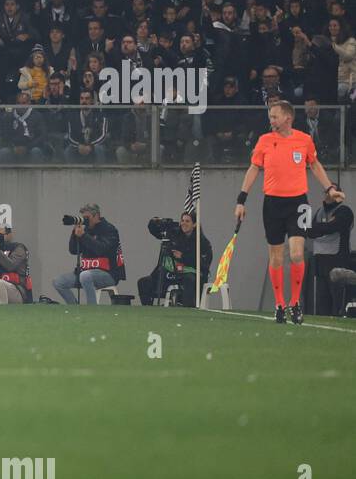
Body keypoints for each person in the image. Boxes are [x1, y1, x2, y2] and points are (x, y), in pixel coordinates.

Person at [235, 101, 345, 324]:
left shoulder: (303, 140)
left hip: (298, 203)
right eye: (271, 116)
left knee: (296, 253)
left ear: (288, 118)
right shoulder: (265, 141)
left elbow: (314, 164)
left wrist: (330, 189)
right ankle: (279, 304)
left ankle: (295, 304)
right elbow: (254, 168)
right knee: (276, 256)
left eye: (274, 116)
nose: (271, 120)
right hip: (272, 204)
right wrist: (241, 200)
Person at [52, 203, 127, 304]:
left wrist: (84, 236)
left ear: (96, 216)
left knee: (85, 276)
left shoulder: (109, 229)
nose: (85, 221)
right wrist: (74, 234)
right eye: (83, 218)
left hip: (108, 274)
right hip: (85, 271)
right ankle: (74, 308)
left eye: (87, 218)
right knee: (58, 282)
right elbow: (73, 250)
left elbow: (101, 249)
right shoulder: (86, 230)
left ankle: (91, 309)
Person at [136, 212, 213, 307]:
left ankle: (188, 312)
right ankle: (148, 310)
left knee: (188, 281)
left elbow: (204, 264)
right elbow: (156, 231)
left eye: (187, 221)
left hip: (191, 277)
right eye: (182, 220)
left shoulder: (202, 242)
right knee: (143, 283)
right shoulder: (174, 233)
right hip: (170, 274)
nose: (184, 223)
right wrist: (154, 222)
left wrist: (183, 257)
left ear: (195, 224)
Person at [302, 187, 352, 317]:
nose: (328, 195)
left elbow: (335, 226)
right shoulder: (320, 212)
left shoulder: (345, 211)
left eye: (332, 192)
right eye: (327, 192)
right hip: (320, 259)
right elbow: (309, 232)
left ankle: (340, 316)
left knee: (337, 294)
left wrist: (320, 228)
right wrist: (324, 227)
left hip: (338, 258)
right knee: (322, 298)